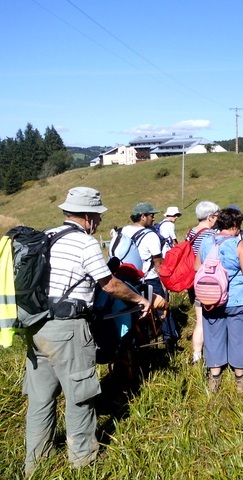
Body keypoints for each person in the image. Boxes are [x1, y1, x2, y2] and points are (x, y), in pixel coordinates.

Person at [24, 187, 151, 475]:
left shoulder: (46, 236)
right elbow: (109, 284)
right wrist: (139, 298)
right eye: (98, 217)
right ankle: (82, 462)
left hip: (37, 326)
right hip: (69, 329)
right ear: (88, 217)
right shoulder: (85, 243)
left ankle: (35, 463)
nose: (100, 223)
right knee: (80, 396)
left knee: (41, 399)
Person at [195, 208, 243, 392]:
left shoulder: (206, 242)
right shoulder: (238, 245)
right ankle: (240, 379)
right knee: (239, 338)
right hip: (237, 300)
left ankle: (214, 378)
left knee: (213, 337)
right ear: (236, 225)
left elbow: (196, 266)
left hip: (211, 299)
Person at [120, 202, 178, 344]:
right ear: (142, 216)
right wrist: (165, 281)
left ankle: (140, 341)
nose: (153, 218)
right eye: (151, 215)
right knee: (162, 308)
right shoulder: (151, 236)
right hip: (149, 279)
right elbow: (158, 262)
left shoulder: (123, 231)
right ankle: (170, 339)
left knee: (136, 313)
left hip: (128, 280)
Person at [185, 201, 220, 363]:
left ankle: (196, 356)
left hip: (193, 281)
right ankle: (213, 354)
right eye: (216, 216)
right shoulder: (210, 235)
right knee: (211, 319)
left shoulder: (190, 233)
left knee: (199, 320)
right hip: (208, 281)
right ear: (209, 217)